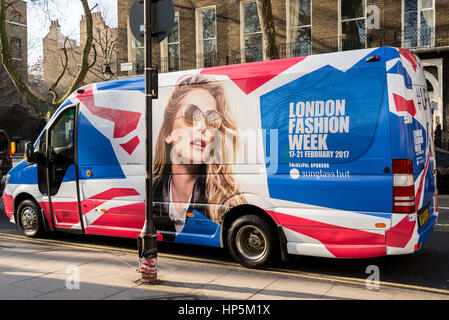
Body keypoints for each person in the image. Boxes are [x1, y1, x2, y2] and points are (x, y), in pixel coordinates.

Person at [152, 74, 246, 241]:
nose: (203, 127)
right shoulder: (149, 192)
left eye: (212, 119)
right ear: (168, 132)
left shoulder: (226, 202)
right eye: (190, 115)